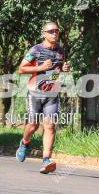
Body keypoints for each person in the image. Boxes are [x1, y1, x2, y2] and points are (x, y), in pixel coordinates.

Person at [15, 21, 70, 174]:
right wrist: (40, 68)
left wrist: (63, 69)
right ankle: (25, 143)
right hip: (35, 93)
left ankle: (46, 160)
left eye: (57, 31)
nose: (54, 34)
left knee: (50, 126)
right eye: (51, 31)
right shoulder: (35, 50)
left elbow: (55, 72)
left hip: (52, 94)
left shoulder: (61, 51)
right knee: (33, 126)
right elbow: (21, 69)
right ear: (44, 34)